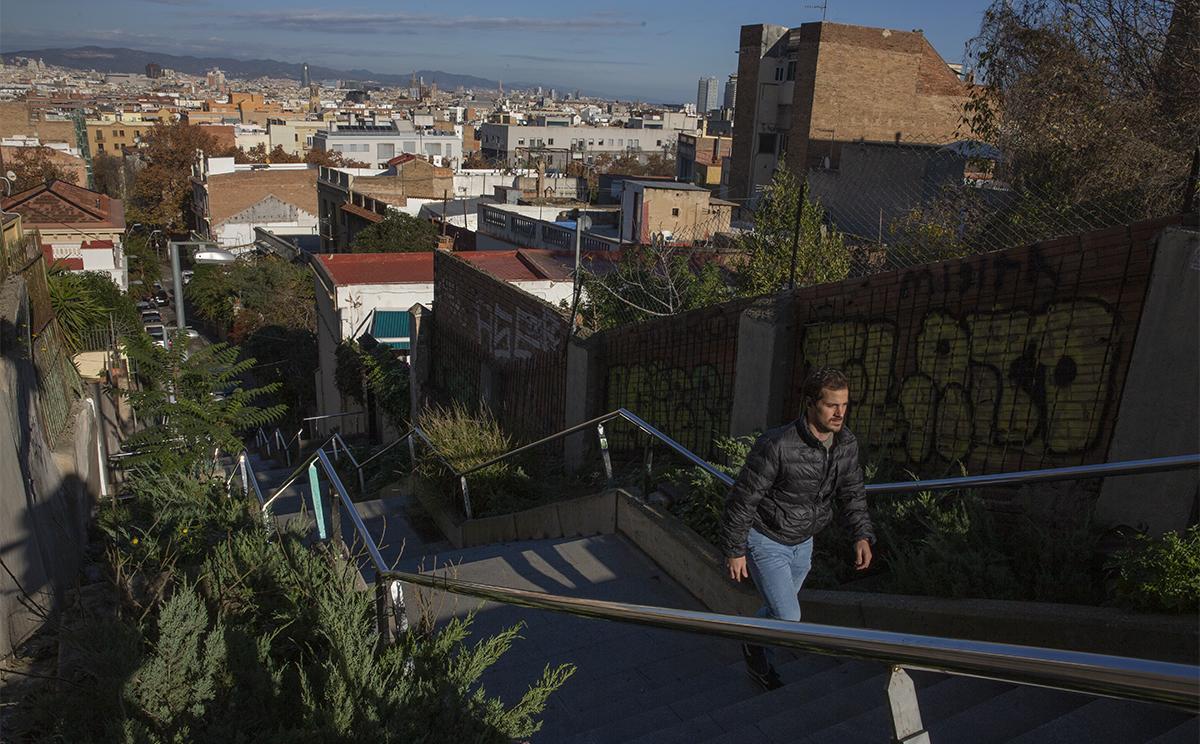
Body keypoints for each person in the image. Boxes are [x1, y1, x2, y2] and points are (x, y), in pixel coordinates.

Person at [720, 366, 875, 690]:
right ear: (809, 403)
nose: (840, 413)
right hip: (766, 539)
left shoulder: (846, 444)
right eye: (832, 405)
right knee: (789, 617)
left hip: (804, 542)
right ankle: (754, 646)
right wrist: (736, 550)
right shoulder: (777, 444)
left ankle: (754, 640)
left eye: (845, 405)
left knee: (778, 609)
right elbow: (743, 499)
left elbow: (852, 491)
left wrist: (861, 534)